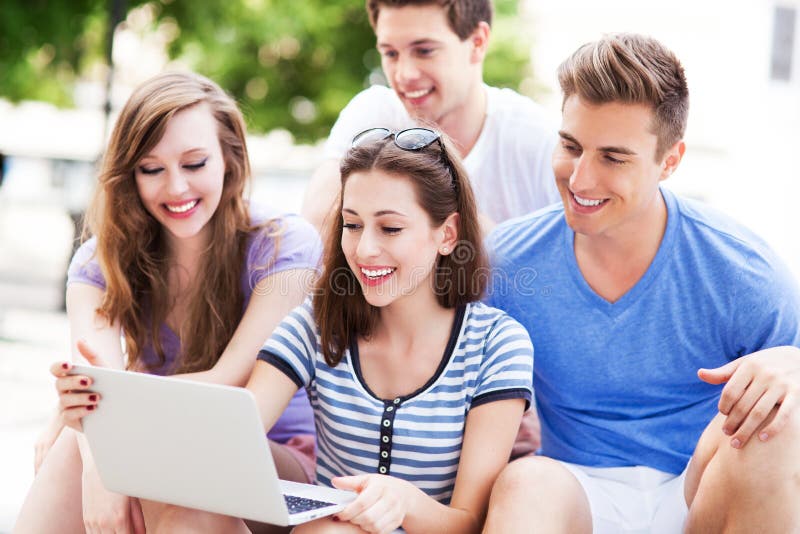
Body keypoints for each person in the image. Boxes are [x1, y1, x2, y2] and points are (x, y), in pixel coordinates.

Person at [53, 127, 534, 533]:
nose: (365, 249)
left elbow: (469, 520)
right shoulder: (316, 325)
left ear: (446, 234)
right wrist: (102, 411)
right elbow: (232, 423)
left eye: (390, 229)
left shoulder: (497, 344)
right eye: (351, 224)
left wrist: (402, 499)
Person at [481, 33, 800, 533]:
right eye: (570, 146)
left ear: (669, 162)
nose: (580, 179)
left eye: (613, 157)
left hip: (703, 488)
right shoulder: (507, 261)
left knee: (780, 426)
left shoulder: (742, 271)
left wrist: (796, 365)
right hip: (576, 490)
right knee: (524, 482)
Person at [15, 71, 322, 533]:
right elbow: (95, 386)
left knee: (129, 456)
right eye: (152, 169)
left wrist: (92, 423)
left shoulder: (285, 245)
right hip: (152, 449)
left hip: (270, 459)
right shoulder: (99, 264)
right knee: (73, 449)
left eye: (195, 163)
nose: (176, 188)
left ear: (230, 159)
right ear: (129, 175)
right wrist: (92, 446)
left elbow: (228, 384)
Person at [301, 0, 560, 235]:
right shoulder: (373, 115)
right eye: (390, 53)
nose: (404, 74)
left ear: (477, 42)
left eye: (424, 50)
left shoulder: (537, 140)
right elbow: (316, 228)